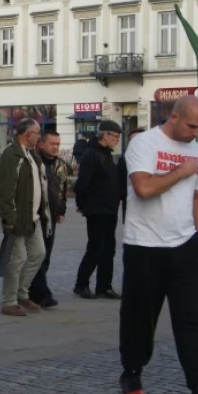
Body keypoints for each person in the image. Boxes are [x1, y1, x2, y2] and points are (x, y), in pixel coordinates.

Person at [119, 95, 198, 394]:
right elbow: (143, 188)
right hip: (143, 244)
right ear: (173, 117)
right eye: (191, 125)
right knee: (140, 314)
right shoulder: (144, 143)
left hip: (185, 245)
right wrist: (182, 171)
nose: (195, 133)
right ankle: (132, 373)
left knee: (193, 318)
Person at [0, 118, 50, 317]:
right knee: (16, 260)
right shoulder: (12, 154)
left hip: (33, 217)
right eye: (37, 133)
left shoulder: (31, 153)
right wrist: (9, 219)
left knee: (38, 253)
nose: (39, 136)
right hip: (18, 218)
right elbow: (6, 190)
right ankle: (9, 301)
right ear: (28, 135)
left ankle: (22, 292)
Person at [74, 120, 122, 300]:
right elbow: (82, 184)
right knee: (95, 247)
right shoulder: (91, 154)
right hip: (96, 209)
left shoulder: (107, 155)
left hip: (110, 209)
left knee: (109, 248)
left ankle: (104, 286)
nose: (117, 141)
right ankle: (81, 284)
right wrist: (82, 205)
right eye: (115, 137)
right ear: (105, 135)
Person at [28, 131, 67, 308]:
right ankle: (41, 294)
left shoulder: (61, 164)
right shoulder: (34, 162)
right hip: (36, 216)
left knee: (46, 256)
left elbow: (62, 190)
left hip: (52, 217)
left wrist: (61, 210)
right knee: (38, 255)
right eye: (52, 143)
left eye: (58, 144)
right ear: (41, 144)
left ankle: (33, 290)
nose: (55, 147)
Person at [118, 128, 145, 224]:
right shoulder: (123, 159)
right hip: (130, 205)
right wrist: (125, 195)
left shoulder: (154, 158)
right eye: (133, 140)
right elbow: (119, 182)